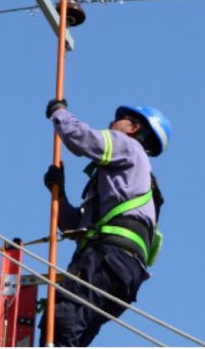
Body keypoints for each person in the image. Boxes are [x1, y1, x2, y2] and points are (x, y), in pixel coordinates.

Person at [39, 100, 171, 347]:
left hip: (106, 258)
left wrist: (60, 113)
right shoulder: (124, 181)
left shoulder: (128, 146)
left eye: (119, 120)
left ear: (133, 127)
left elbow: (81, 138)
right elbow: (74, 228)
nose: (111, 123)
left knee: (61, 322)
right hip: (122, 272)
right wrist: (59, 194)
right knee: (70, 331)